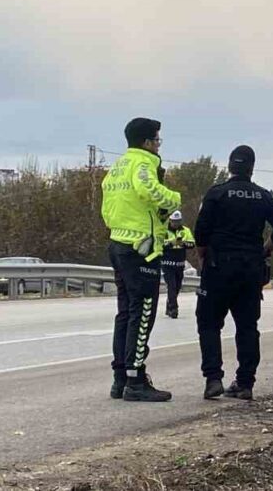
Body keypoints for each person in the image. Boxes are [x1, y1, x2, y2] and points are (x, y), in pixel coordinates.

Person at [194, 145, 273, 401]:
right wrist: (266, 250)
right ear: (252, 168)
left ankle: (213, 379)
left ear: (229, 166)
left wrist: (203, 256)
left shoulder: (217, 194)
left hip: (218, 267)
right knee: (247, 326)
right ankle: (245, 383)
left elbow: (200, 231)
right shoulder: (263, 196)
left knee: (209, 323)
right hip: (251, 269)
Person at [101, 117, 181, 402]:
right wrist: (174, 199)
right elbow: (148, 189)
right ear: (147, 142)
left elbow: (108, 207)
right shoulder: (144, 163)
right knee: (143, 311)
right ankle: (136, 379)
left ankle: (120, 378)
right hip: (141, 246)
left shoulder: (118, 165)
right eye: (158, 140)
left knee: (125, 312)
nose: (159, 145)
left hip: (118, 242)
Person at [162, 211, 195, 319]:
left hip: (180, 263)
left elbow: (192, 243)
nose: (176, 224)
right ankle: (173, 308)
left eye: (178, 221)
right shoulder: (163, 230)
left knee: (177, 287)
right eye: (174, 221)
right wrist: (171, 243)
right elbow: (159, 244)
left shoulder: (185, 230)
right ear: (170, 220)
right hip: (167, 263)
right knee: (171, 286)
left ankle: (169, 304)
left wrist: (183, 243)